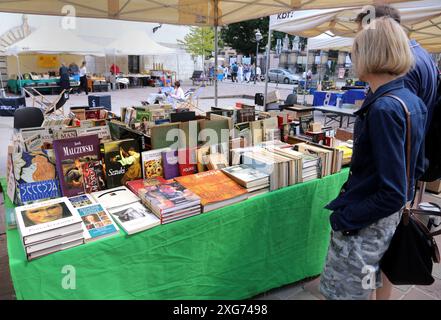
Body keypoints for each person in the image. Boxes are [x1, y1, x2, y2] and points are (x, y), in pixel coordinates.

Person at [319, 17, 427, 300]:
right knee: (367, 283)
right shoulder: (410, 100)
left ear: (369, 53)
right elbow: (416, 168)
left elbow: (391, 191)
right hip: (382, 221)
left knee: (343, 294)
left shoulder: (384, 108)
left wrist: (343, 219)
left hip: (365, 224)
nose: (352, 57)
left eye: (356, 50)